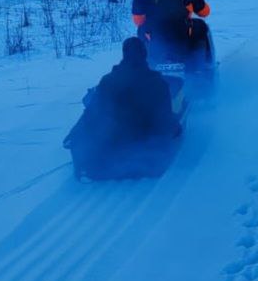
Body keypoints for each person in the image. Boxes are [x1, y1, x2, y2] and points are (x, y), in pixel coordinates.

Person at [67, 37, 182, 178]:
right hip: (147, 150)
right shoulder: (158, 83)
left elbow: (94, 114)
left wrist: (79, 136)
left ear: (124, 54)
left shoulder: (107, 81)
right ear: (145, 54)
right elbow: (164, 117)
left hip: (113, 146)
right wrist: (176, 128)